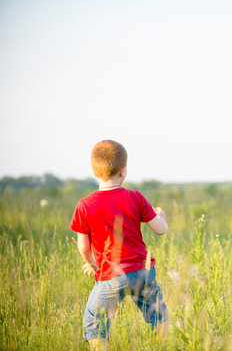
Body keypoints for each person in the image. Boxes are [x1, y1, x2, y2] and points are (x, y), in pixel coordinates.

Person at [70, 140, 170, 350]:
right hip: (143, 272)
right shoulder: (135, 197)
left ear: (94, 171)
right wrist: (161, 215)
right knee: (158, 318)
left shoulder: (84, 205)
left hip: (111, 276)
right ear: (123, 172)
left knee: (95, 327)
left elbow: (83, 247)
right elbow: (160, 229)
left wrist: (92, 263)